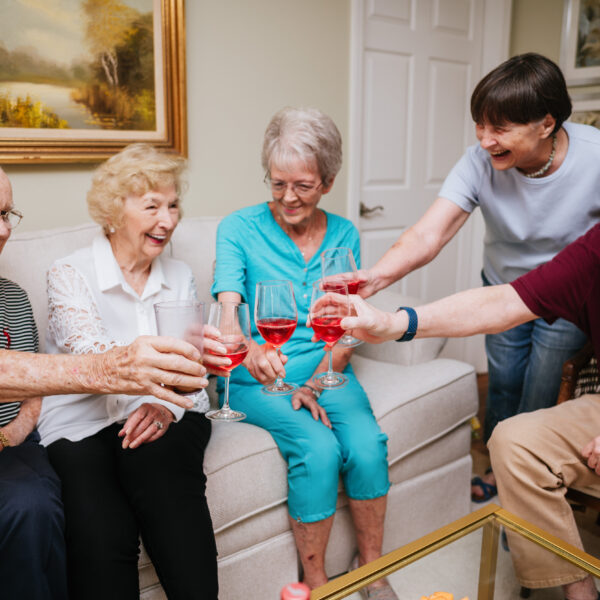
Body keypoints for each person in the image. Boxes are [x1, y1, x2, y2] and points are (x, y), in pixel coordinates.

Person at [355, 53, 600, 501]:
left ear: (546, 124)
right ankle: (495, 467)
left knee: (542, 388)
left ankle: (527, 483)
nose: (485, 141)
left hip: (564, 300)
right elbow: (430, 233)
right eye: (479, 126)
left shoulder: (595, 157)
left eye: (500, 128)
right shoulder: (478, 161)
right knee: (504, 385)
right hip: (501, 287)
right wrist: (376, 277)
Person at [340, 223, 600, 600]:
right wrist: (393, 323)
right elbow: (504, 303)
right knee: (512, 441)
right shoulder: (593, 248)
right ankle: (580, 590)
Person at [211, 107, 396, 598]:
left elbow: (347, 327)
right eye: (277, 184)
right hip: (261, 377)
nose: (288, 198)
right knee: (317, 450)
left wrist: (315, 382)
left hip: (327, 369)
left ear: (328, 182)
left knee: (366, 447)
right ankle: (317, 583)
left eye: (303, 185)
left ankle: (372, 571)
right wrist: (244, 347)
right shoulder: (237, 229)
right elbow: (228, 313)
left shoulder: (344, 235)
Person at [37, 144, 221, 600]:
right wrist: (166, 373)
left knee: (167, 479)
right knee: (101, 530)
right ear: (114, 211)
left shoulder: (178, 276)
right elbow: (91, 358)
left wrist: (164, 404)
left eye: (173, 204)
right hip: (84, 421)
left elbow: (194, 376)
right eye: (152, 206)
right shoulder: (69, 273)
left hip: (164, 411)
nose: (169, 219)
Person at [0, 167, 67, 598]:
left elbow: (33, 388)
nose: (4, 230)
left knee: (32, 505)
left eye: (7, 214)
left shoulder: (13, 296)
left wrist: (7, 438)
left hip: (13, 442)